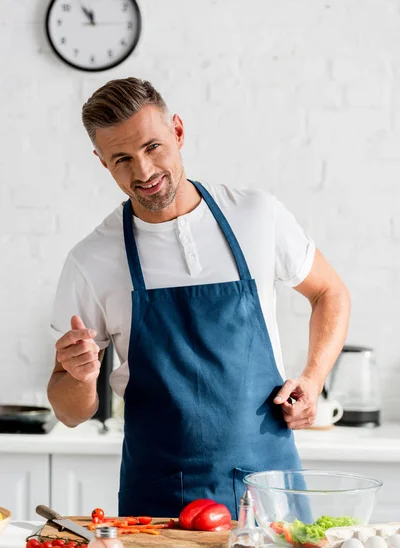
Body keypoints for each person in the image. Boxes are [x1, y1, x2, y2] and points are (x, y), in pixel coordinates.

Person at [47, 77, 351, 519]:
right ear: (102, 163)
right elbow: (70, 413)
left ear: (179, 132)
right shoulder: (91, 260)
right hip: (160, 505)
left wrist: (314, 376)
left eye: (153, 147)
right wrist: (76, 376)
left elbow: (330, 291)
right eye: (122, 160)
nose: (144, 172)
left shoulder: (256, 216)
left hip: (271, 488)